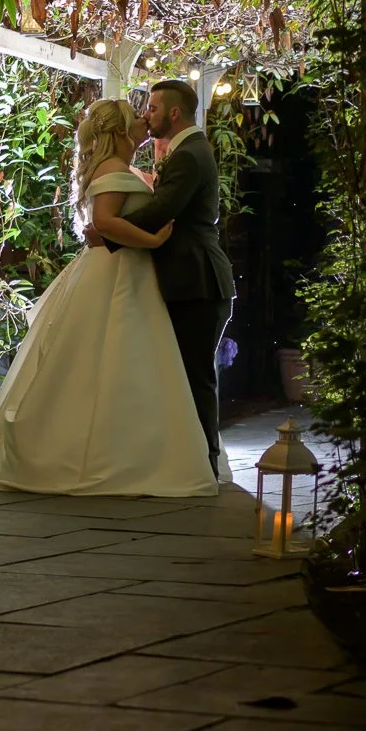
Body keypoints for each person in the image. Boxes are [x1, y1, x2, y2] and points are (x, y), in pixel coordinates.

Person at [0, 97, 217, 497]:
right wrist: (154, 237)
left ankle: (129, 449)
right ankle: (103, 456)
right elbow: (106, 224)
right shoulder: (111, 170)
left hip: (130, 274)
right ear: (120, 132)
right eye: (136, 118)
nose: (145, 120)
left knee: (126, 366)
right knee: (106, 361)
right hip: (118, 274)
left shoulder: (120, 168)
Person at [91, 79, 236, 480]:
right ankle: (189, 460)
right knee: (187, 374)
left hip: (198, 280)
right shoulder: (186, 151)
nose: (145, 114)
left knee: (195, 376)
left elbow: (162, 210)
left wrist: (105, 231)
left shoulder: (189, 155)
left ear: (173, 113)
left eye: (152, 108)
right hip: (189, 280)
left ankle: (203, 465)